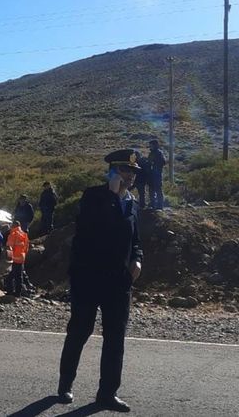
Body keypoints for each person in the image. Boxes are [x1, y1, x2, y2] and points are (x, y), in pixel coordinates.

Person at [57, 149, 143, 412]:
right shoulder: (93, 196)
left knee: (115, 338)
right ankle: (65, 384)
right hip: (88, 278)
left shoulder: (132, 203)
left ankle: (107, 394)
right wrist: (111, 196)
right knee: (79, 331)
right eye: (125, 171)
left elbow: (135, 240)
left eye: (133, 172)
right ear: (112, 172)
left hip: (118, 282)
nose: (130, 176)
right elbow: (90, 228)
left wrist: (137, 259)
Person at [5, 221, 29, 296]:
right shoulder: (24, 234)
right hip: (21, 258)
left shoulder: (13, 234)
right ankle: (18, 293)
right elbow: (26, 247)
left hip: (13, 259)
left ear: (14, 225)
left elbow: (9, 248)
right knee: (19, 277)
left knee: (9, 277)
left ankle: (9, 292)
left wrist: (7, 258)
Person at [147, 139, 167, 209]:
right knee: (151, 189)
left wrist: (154, 163)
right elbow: (149, 162)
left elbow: (163, 162)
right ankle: (153, 204)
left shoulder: (159, 153)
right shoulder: (151, 153)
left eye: (151, 145)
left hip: (157, 174)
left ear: (155, 145)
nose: (150, 146)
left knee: (158, 189)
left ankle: (160, 205)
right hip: (151, 174)